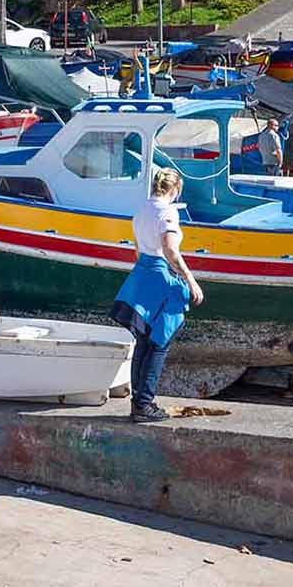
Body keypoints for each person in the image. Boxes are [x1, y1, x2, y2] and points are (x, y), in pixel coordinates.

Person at [110, 167, 203, 423]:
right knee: (159, 343)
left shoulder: (141, 211)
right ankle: (145, 404)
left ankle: (138, 402)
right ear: (174, 189)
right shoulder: (167, 212)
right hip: (162, 276)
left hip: (142, 274)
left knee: (143, 342)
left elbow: (138, 250)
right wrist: (190, 281)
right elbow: (171, 251)